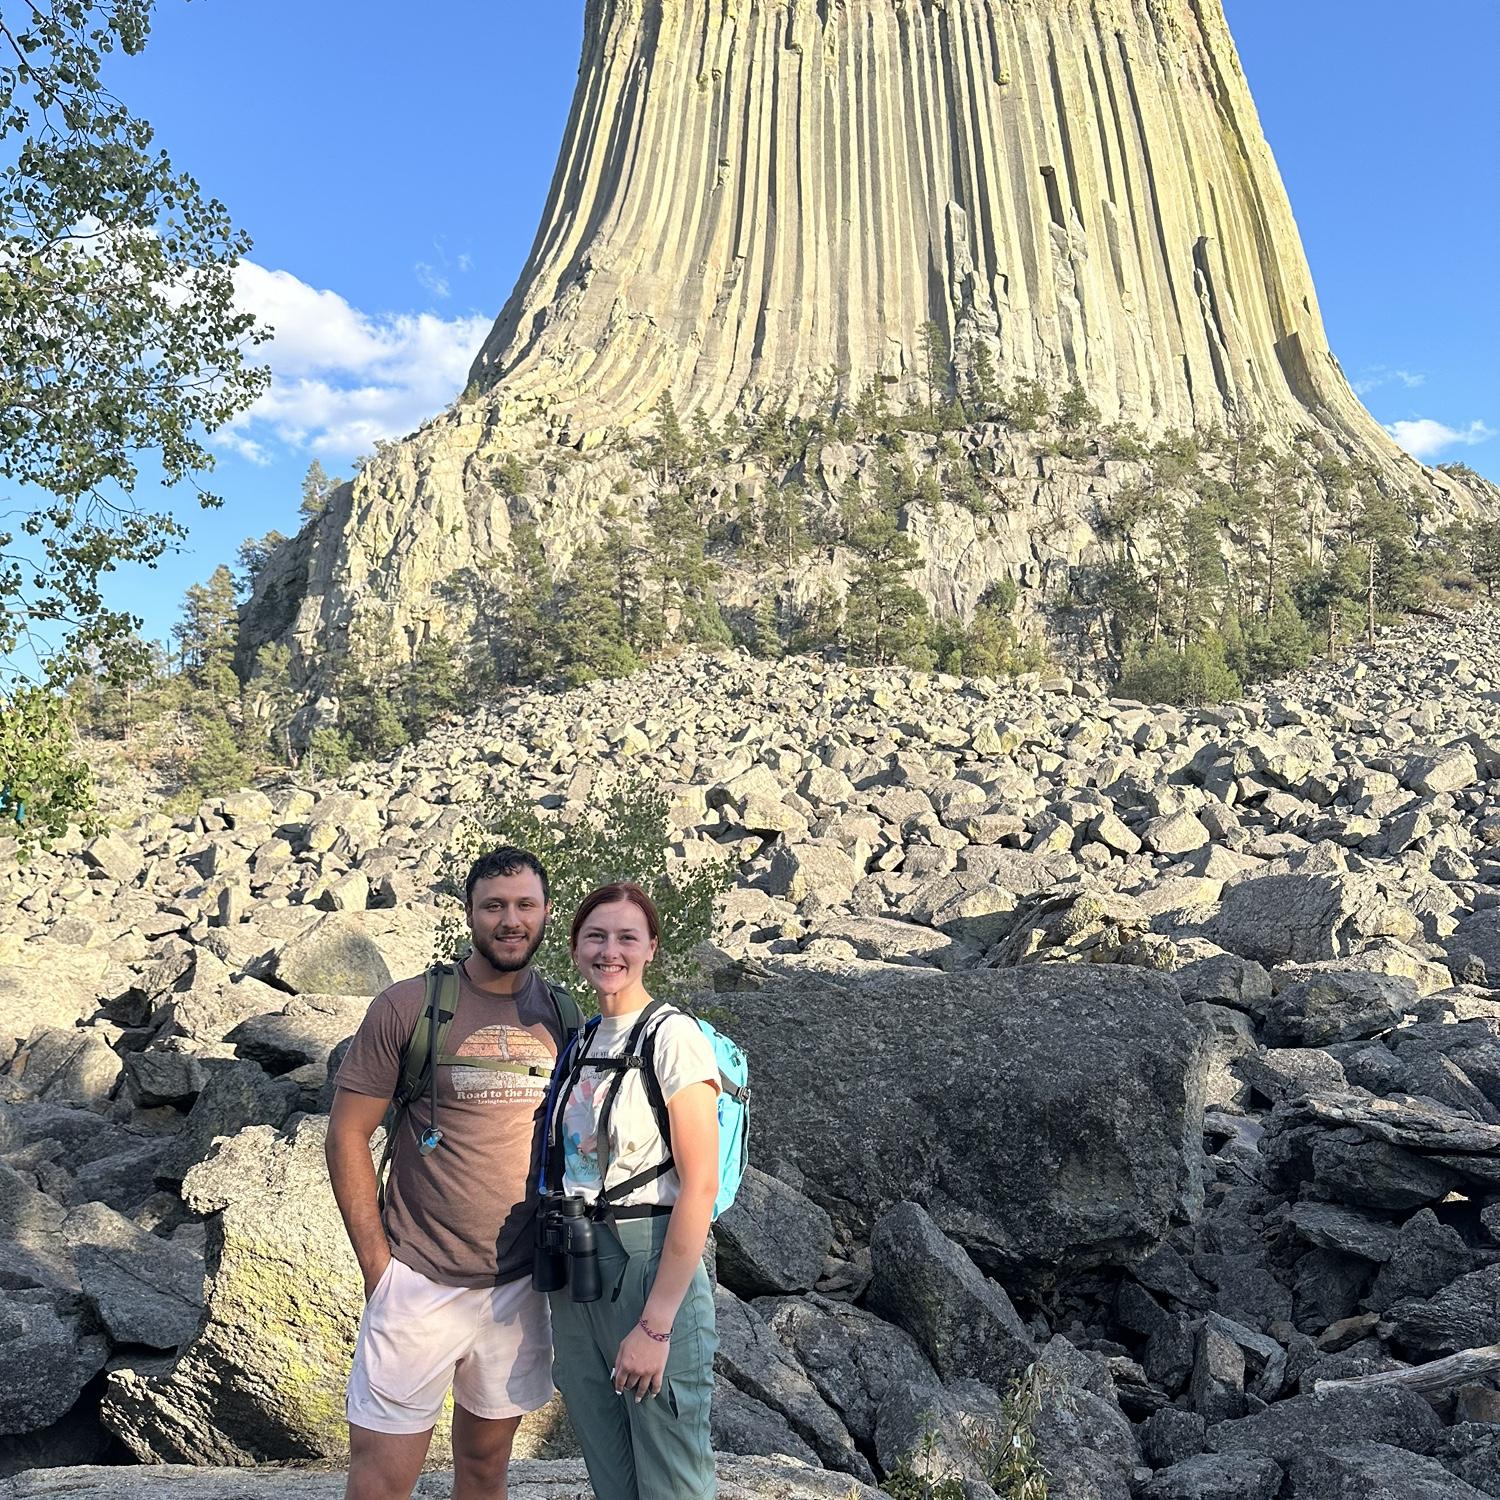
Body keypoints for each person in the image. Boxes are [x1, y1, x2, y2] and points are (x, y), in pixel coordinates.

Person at [325, 846, 578, 1500]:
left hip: (518, 1289)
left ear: (547, 912)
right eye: (494, 906)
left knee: (487, 1470)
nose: (510, 920)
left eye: (524, 905)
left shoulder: (567, 1018)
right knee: (380, 1482)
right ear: (469, 913)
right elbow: (347, 1134)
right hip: (417, 1283)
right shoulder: (407, 1007)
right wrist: (379, 1269)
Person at [542, 881, 720, 1500]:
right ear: (574, 949)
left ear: (651, 948)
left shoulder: (673, 1038)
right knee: (608, 1469)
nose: (609, 950)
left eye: (625, 937)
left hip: (650, 1262)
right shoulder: (583, 1040)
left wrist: (658, 1326)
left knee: (670, 1475)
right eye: (595, 936)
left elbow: (700, 1186)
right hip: (578, 1263)